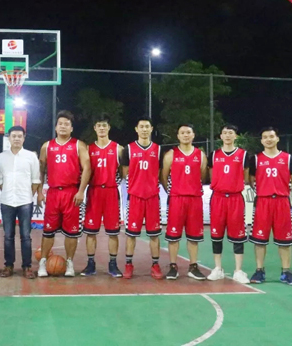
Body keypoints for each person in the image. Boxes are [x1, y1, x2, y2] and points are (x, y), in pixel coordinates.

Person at [37, 110, 91, 278]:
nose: (63, 126)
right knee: (48, 231)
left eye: (66, 124)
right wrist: (39, 192)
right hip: (53, 192)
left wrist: (81, 191)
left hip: (71, 192)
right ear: (55, 127)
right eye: (60, 124)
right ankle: (43, 262)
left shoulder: (78, 145)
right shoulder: (47, 146)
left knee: (72, 232)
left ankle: (69, 262)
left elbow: (87, 168)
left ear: (71, 128)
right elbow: (41, 170)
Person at [248, 127, 292, 286]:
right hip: (263, 202)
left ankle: (286, 272)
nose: (268, 139)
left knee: (285, 239)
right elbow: (251, 180)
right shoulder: (255, 159)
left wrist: (281, 191)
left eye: (271, 136)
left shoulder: (288, 158)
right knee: (259, 239)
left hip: (281, 202)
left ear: (277, 138)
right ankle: (259, 270)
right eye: (265, 137)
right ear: (261, 141)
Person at [160, 124, 207, 280]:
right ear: (178, 136)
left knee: (194, 236)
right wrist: (173, 191)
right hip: (176, 199)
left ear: (193, 135)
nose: (185, 135)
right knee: (173, 235)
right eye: (182, 133)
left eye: (188, 132)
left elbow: (202, 176)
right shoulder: (171, 155)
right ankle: (173, 266)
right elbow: (164, 176)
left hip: (194, 199)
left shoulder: (200, 155)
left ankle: (193, 267)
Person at [81, 114, 124, 277]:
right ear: (94, 128)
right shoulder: (88, 149)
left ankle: (113, 264)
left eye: (104, 125)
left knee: (113, 232)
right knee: (91, 231)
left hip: (111, 192)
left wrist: (114, 181)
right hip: (94, 192)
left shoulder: (118, 149)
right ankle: (90, 264)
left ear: (109, 128)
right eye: (98, 125)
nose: (101, 128)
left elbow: (123, 172)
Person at [120, 117, 164, 279]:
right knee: (131, 234)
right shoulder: (128, 149)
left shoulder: (158, 150)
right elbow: (125, 173)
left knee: (154, 234)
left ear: (151, 129)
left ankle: (155, 265)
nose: (144, 129)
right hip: (135, 197)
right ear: (136, 129)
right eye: (142, 127)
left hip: (152, 198)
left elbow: (159, 173)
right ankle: (128, 264)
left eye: (147, 127)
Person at [206, 125, 250, 284]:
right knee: (216, 234)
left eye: (231, 133)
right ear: (221, 136)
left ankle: (238, 270)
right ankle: (218, 268)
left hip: (235, 198)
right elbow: (212, 175)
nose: (227, 135)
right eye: (224, 133)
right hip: (218, 198)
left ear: (235, 136)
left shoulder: (243, 155)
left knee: (238, 235)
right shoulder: (213, 155)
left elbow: (246, 177)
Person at [0, 125, 41, 279]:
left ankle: (27, 267)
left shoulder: (31, 157)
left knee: (26, 236)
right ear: (9, 138)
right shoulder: (1, 157)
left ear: (24, 138)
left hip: (25, 202)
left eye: (19, 136)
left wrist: (28, 195)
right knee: (8, 236)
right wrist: (8, 193)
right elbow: (0, 180)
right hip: (7, 201)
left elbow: (35, 180)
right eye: (13, 136)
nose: (16, 139)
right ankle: (8, 266)